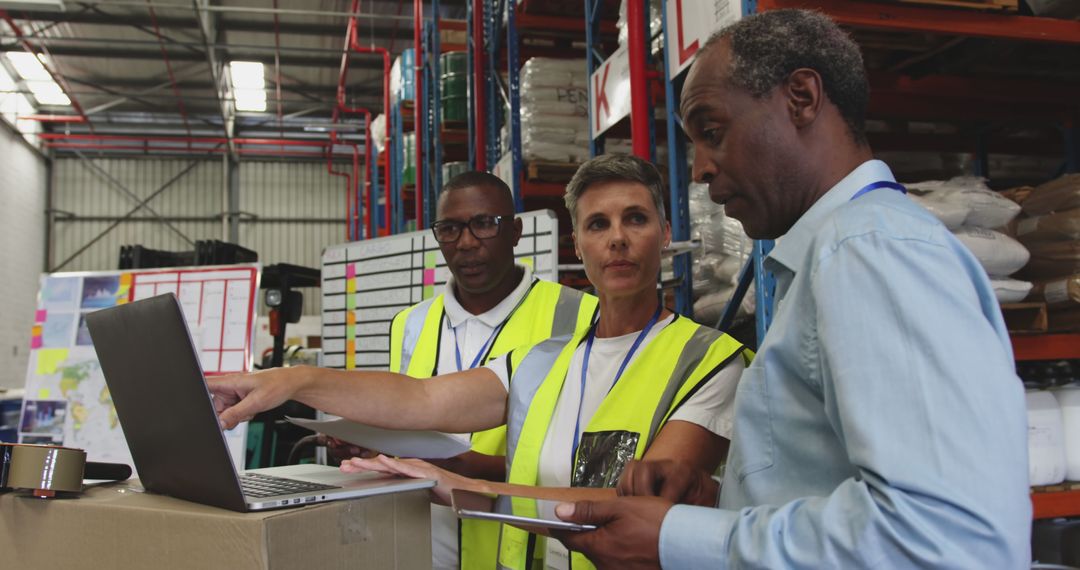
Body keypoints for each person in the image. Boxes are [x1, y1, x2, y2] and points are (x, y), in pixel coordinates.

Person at [551, 9, 1031, 569]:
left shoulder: (868, 250)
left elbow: (944, 536)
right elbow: (846, 485)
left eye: (712, 132)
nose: (700, 169)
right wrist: (727, 501)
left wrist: (683, 539)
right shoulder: (841, 254)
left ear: (801, 97)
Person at [209, 154, 750, 570]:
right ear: (577, 247)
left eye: (635, 219)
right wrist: (293, 380)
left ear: (666, 234)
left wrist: (468, 490)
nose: (618, 240)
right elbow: (421, 398)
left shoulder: (708, 363)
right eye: (597, 225)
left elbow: (636, 509)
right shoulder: (541, 361)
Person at [383, 171, 597, 570]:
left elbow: (587, 461)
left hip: (522, 551)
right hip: (420, 547)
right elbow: (400, 424)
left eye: (484, 224)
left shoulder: (579, 316)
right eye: (450, 229)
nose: (465, 243)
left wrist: (469, 470)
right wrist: (373, 446)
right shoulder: (408, 325)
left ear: (515, 231)